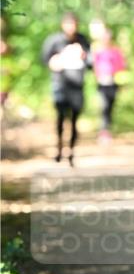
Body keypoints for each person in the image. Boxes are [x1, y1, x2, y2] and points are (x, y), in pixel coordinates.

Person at [41, 13, 91, 165]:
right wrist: (54, 62)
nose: (71, 27)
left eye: (74, 24)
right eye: (68, 24)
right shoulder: (54, 40)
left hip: (77, 86)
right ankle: (59, 149)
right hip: (60, 85)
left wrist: (83, 56)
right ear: (63, 25)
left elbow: (91, 62)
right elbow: (44, 59)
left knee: (75, 121)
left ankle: (71, 153)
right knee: (61, 118)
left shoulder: (83, 40)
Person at [90, 20, 127, 142]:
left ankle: (107, 129)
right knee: (104, 106)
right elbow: (94, 65)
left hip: (113, 82)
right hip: (102, 83)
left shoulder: (115, 50)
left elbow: (121, 65)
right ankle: (104, 131)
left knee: (110, 106)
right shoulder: (98, 50)